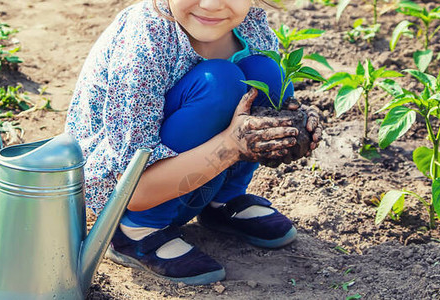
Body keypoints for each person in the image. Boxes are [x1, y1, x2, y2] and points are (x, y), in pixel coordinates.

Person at [64, 0, 322, 285]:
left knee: (267, 72)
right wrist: (233, 145)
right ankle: (138, 232)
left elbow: (272, 104)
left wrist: (293, 121)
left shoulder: (250, 26)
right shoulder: (146, 38)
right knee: (220, 81)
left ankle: (223, 202)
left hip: (196, 178)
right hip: (126, 197)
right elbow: (131, 190)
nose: (211, 4)